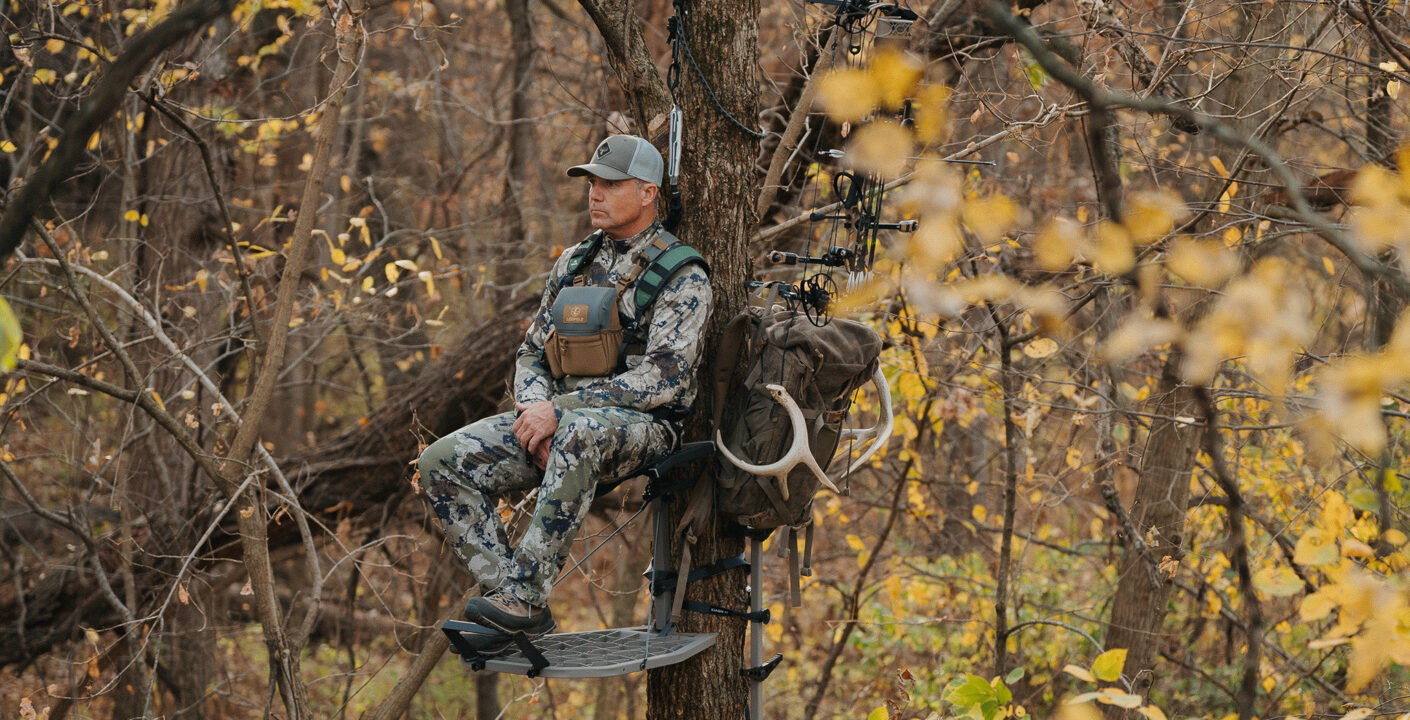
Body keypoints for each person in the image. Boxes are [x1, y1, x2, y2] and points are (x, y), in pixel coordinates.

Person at [419, 135, 712, 650]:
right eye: (592, 183)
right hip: (556, 420)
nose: (595, 193)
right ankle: (509, 599)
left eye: (611, 185)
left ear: (647, 193)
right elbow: (532, 351)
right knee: (440, 462)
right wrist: (535, 409)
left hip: (643, 427)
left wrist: (561, 411)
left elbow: (664, 377)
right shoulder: (574, 262)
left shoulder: (682, 273)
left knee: (579, 431)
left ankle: (525, 598)